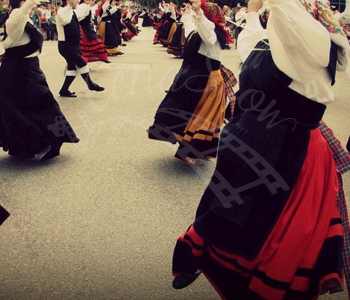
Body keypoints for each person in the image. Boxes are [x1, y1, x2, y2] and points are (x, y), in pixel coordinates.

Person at [171, 0, 350, 298]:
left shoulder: (312, 48)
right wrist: (253, 13)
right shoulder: (271, 43)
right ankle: (204, 255)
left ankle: (257, 279)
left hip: (289, 149)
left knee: (274, 225)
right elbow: (252, 37)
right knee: (224, 206)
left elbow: (293, 19)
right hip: (250, 140)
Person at [148, 0, 233, 164]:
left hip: (207, 81)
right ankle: (184, 144)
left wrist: (199, 14)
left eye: (200, 14)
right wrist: (188, 15)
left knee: (200, 117)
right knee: (176, 109)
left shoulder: (213, 35)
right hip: (192, 77)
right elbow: (190, 31)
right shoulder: (198, 31)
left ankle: (192, 151)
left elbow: (207, 35)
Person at [0, 0, 79, 160]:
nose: (35, 6)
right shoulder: (16, 15)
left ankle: (29, 145)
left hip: (27, 68)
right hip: (18, 71)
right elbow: (15, 29)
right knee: (32, 106)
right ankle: (41, 144)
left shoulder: (23, 17)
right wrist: (29, 3)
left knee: (34, 106)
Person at [56, 0, 104, 97]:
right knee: (82, 63)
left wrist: (89, 5)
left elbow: (82, 14)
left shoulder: (72, 12)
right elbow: (65, 19)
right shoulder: (62, 12)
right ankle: (90, 84)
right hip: (66, 45)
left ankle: (64, 90)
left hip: (73, 45)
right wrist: (70, 5)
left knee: (72, 68)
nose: (78, 2)